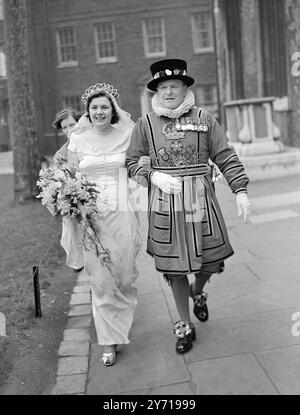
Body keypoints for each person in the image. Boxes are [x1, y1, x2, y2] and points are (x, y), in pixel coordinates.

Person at [126, 59, 251, 354]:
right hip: (165, 203)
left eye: (174, 86)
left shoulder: (205, 118)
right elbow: (131, 163)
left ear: (185, 88)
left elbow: (225, 155)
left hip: (199, 200)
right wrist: (153, 175)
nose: (169, 92)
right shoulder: (144, 125)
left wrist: (240, 189)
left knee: (211, 260)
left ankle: (199, 290)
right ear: (157, 91)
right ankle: (184, 325)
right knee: (176, 268)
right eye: (163, 87)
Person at [67, 83, 141, 366]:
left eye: (104, 107)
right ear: (88, 111)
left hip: (122, 212)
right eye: (94, 107)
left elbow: (138, 166)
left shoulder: (127, 134)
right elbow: (70, 176)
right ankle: (108, 341)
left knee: (123, 274)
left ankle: (120, 321)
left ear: (113, 111)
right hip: (92, 217)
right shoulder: (78, 139)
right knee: (100, 279)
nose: (99, 111)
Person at [52, 108, 84, 272]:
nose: (69, 129)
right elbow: (58, 181)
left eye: (72, 124)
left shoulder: (90, 143)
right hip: (75, 201)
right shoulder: (60, 155)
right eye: (64, 127)